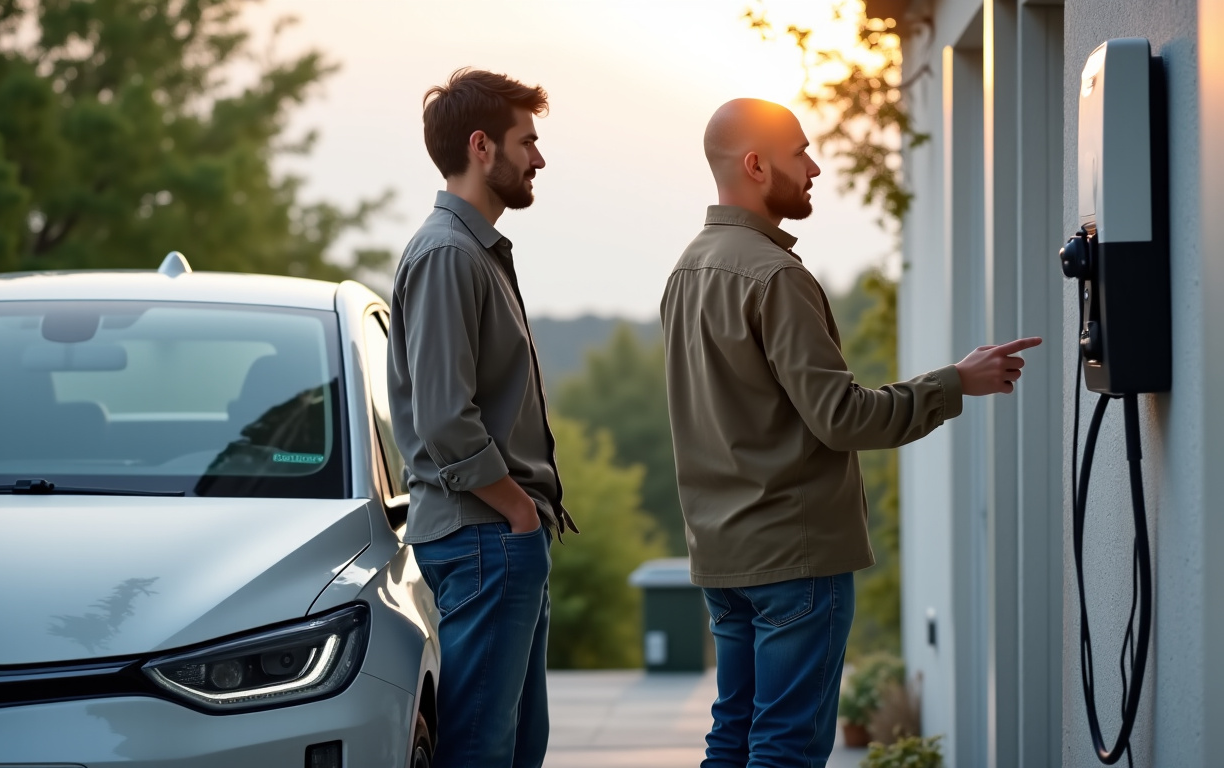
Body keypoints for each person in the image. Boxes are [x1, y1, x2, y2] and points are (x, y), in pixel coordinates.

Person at [660, 98, 1041, 768]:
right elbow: (842, 418)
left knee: (735, 735)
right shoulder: (776, 276)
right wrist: (955, 382)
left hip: (723, 556)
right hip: (794, 558)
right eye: (800, 153)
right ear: (754, 165)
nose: (815, 168)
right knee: (786, 747)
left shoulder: (686, 272)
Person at [387, 67, 577, 768]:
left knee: (518, 747)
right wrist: (517, 513)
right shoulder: (448, 255)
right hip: (483, 537)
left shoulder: (476, 252)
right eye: (527, 141)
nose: (539, 158)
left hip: (498, 537)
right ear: (481, 147)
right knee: (480, 750)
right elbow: (446, 420)